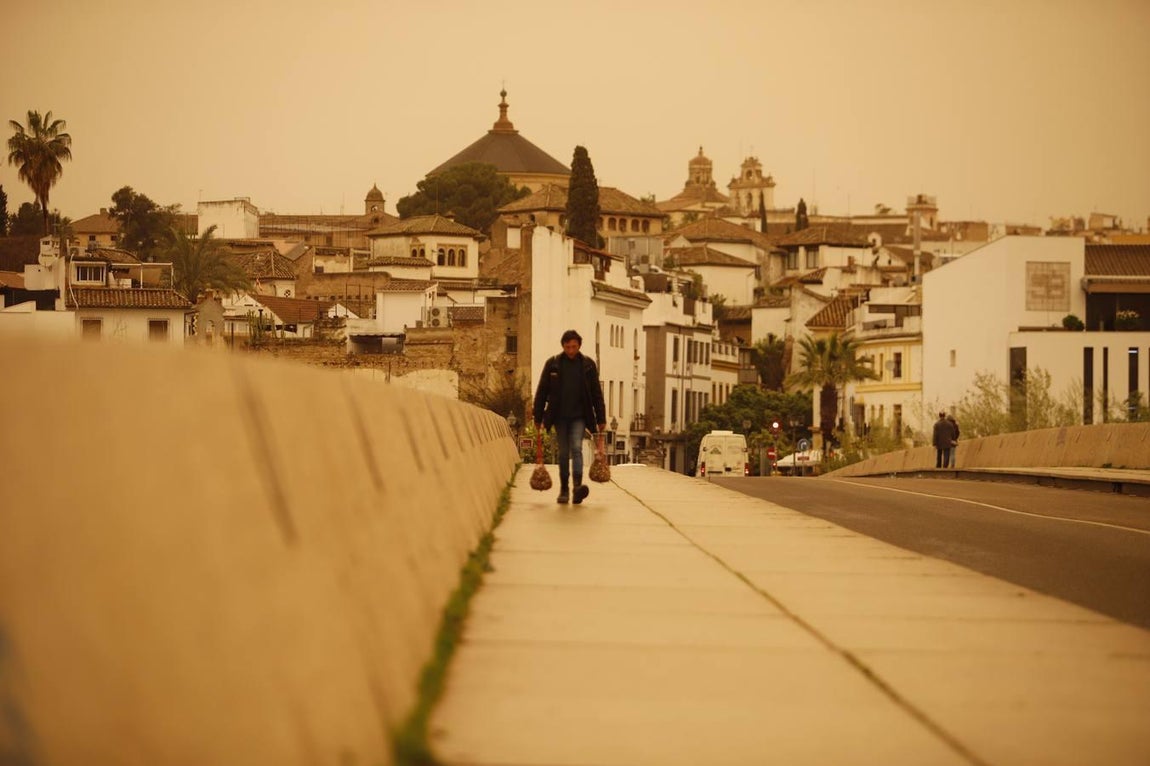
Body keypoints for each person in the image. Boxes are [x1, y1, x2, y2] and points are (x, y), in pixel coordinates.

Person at [533, 329, 607, 504]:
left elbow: (597, 393)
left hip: (580, 417)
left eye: (574, 347)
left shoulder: (588, 366)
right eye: (568, 347)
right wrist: (538, 418)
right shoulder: (553, 365)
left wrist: (601, 418)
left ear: (579, 346)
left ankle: (577, 487)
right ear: (563, 346)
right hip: (559, 417)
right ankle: (564, 489)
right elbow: (542, 391)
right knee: (564, 452)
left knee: (576, 448)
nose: (571, 351)